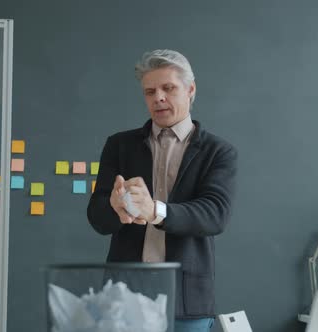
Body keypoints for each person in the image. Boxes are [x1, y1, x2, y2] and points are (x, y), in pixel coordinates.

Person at [87, 49, 238, 332]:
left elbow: (215, 214)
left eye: (168, 88)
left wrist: (153, 210)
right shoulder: (119, 145)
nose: (158, 97)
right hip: (124, 297)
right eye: (150, 91)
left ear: (190, 90)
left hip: (186, 298)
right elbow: (97, 216)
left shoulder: (219, 151)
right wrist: (115, 209)